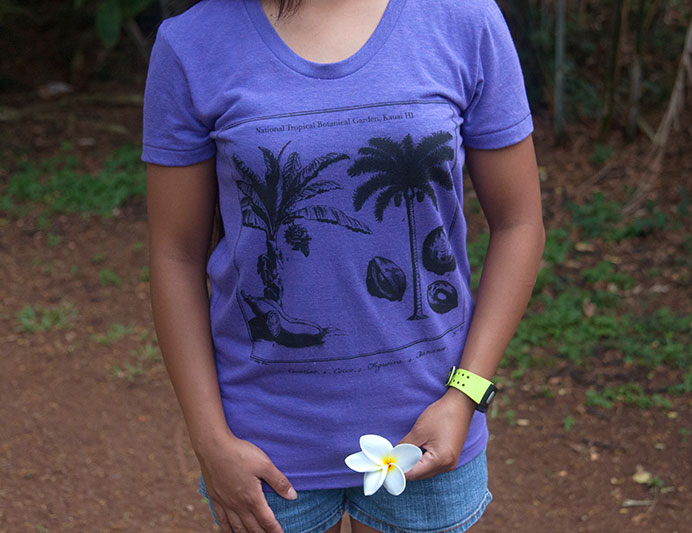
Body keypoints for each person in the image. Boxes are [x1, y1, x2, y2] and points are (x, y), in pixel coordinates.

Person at [142, 0, 545, 531]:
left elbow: (520, 223)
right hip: (265, 445)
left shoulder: (463, 19)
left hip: (429, 431)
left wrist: (464, 395)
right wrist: (211, 440)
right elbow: (175, 255)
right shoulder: (193, 43)